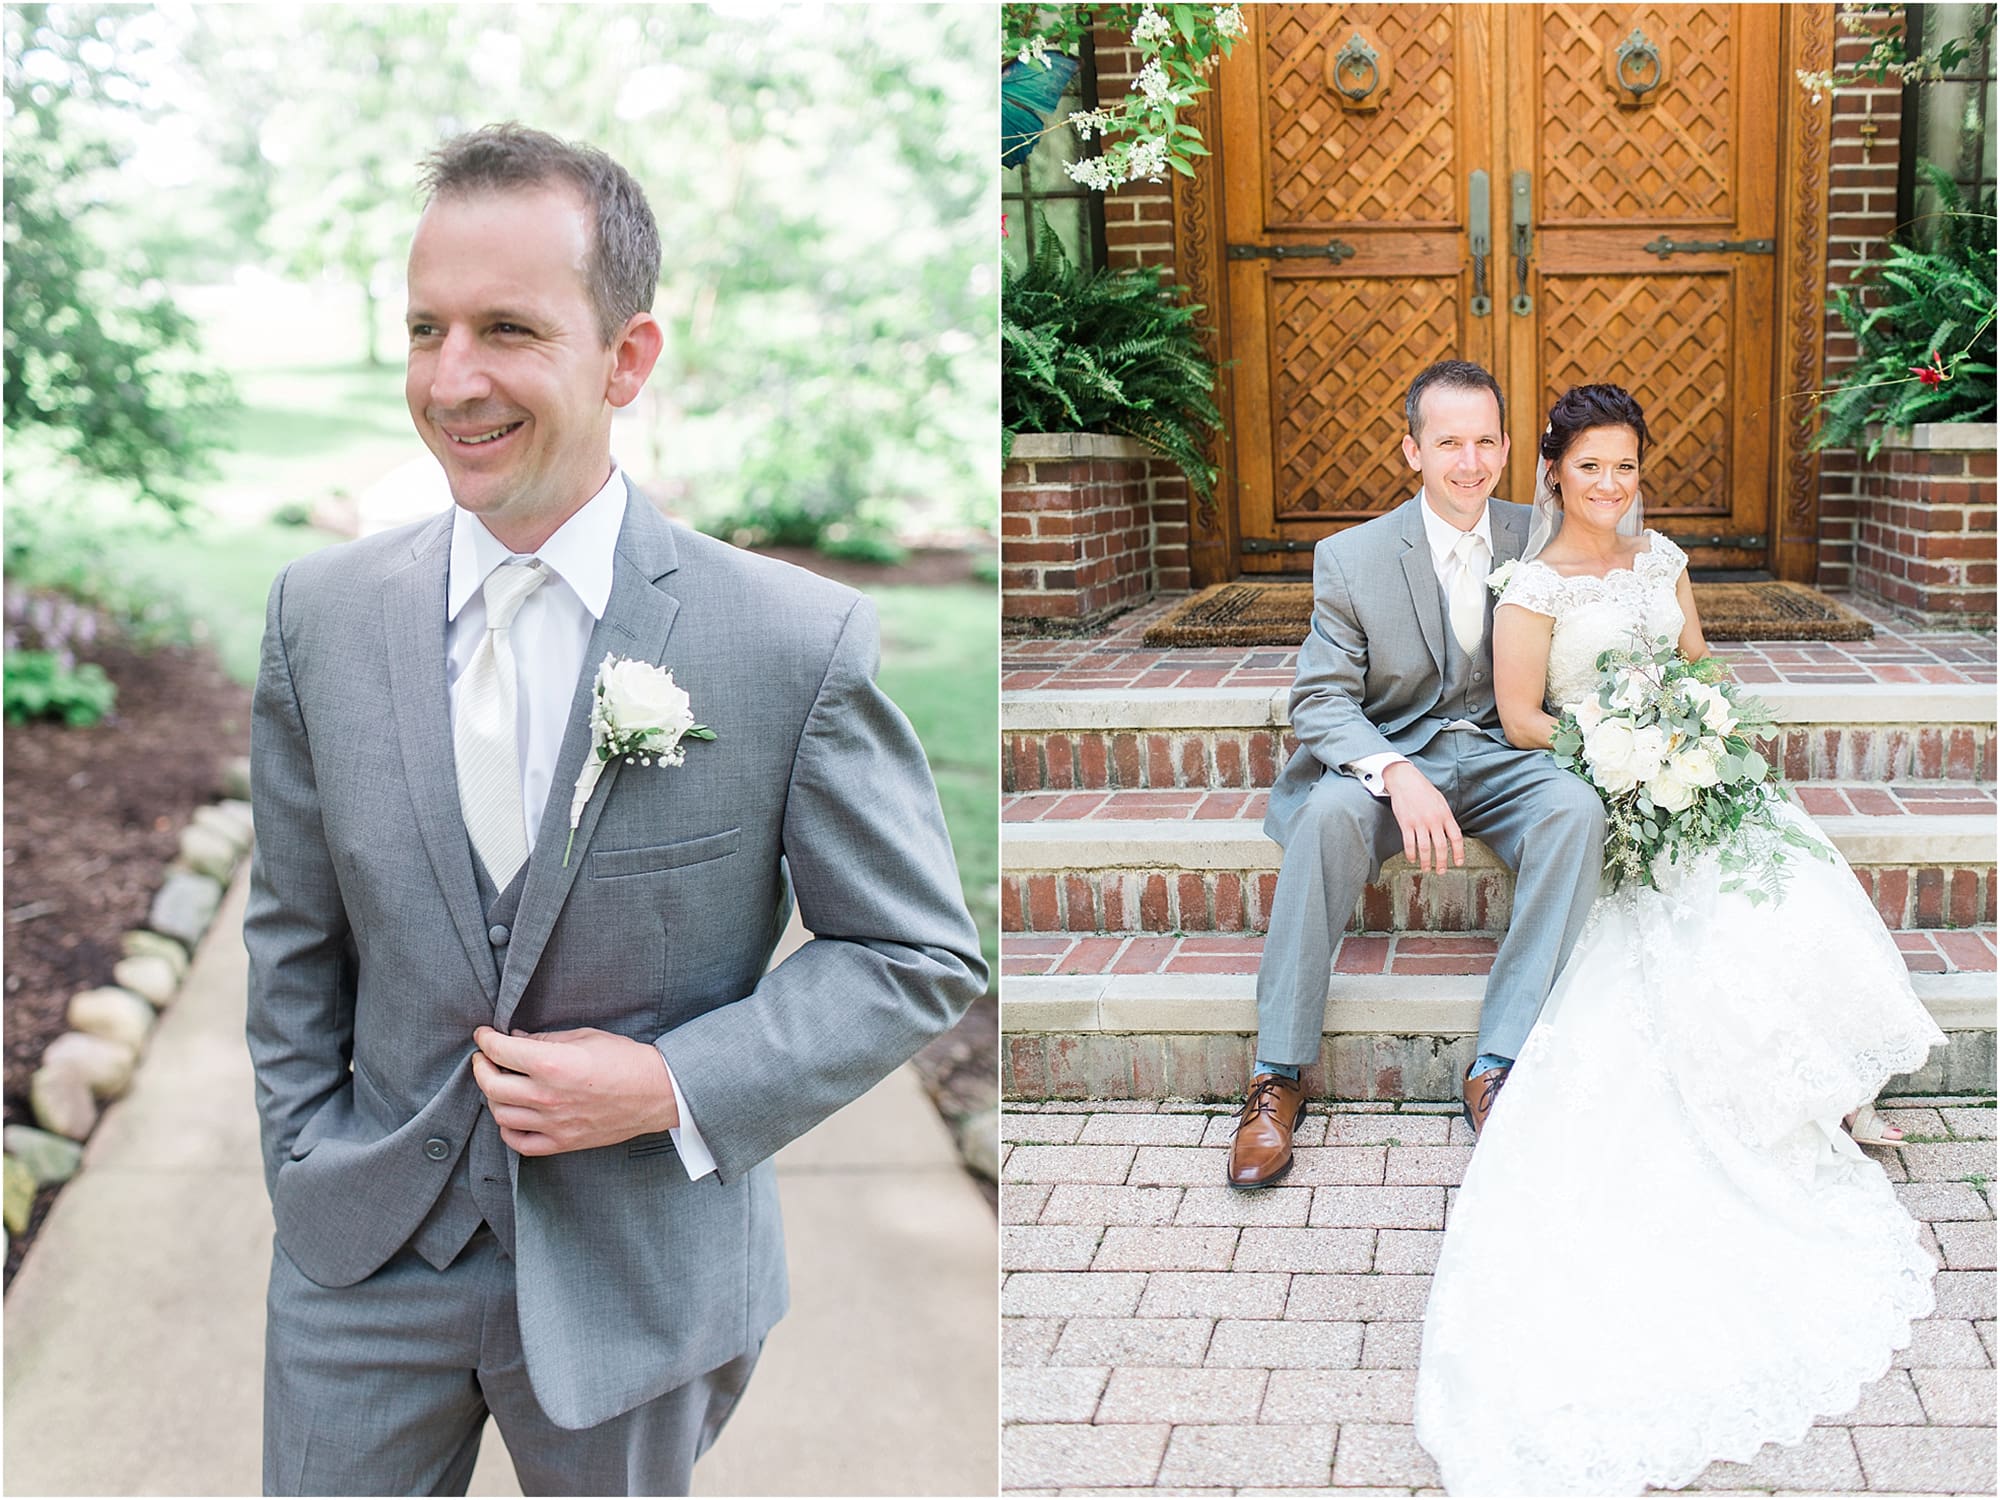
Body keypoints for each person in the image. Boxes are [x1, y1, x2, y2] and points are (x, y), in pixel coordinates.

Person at [243, 124, 985, 1497]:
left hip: (637, 1279)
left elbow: (914, 955)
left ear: (626, 358)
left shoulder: (787, 641)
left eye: (508, 329)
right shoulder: (320, 618)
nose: (451, 380)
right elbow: (295, 934)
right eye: (425, 328)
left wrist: (670, 1086)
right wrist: (302, 1160)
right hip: (361, 1260)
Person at [1412, 384, 1945, 1496]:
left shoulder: (1660, 560)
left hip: (1694, 779)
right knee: (1699, 925)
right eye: (1590, 468)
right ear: (1550, 472)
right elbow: (1519, 718)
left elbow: (1695, 663)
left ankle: (1821, 1088)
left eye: (1626, 468)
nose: (1611, 487)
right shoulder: (1529, 584)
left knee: (1788, 881)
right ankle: (1771, 1106)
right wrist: (1621, 753)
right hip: (1617, 791)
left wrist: (1695, 729)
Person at [1228, 359, 1607, 1186]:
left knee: (1577, 811)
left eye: (1483, 442)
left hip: (1511, 753)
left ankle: (1498, 1062)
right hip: (1399, 752)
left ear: (1508, 447)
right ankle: (1276, 1076)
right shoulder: (1353, 558)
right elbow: (1321, 701)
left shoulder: (1541, 536)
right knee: (1328, 817)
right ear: (1412, 451)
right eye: (1447, 443)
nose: (1468, 463)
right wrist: (1396, 772)